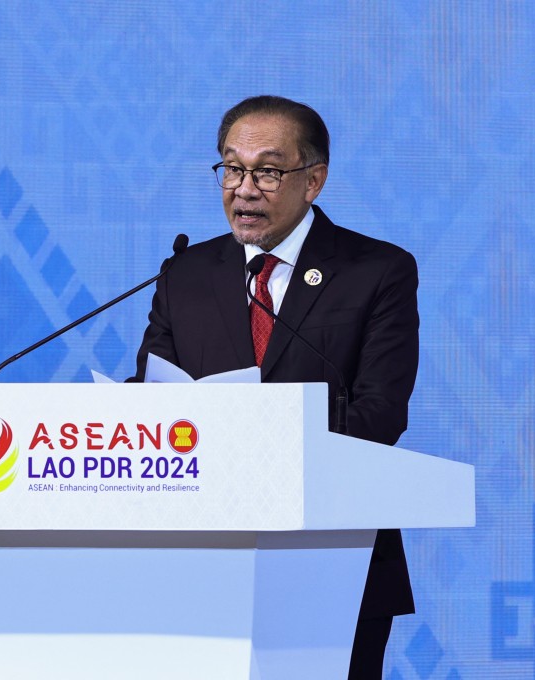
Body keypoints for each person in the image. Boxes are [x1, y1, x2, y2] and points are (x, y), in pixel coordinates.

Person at [131, 95, 419, 678]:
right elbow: (152, 400)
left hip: (333, 557)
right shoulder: (186, 273)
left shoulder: (377, 271)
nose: (244, 188)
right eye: (231, 168)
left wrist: (252, 446)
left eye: (267, 170)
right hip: (201, 563)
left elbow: (379, 416)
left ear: (314, 180)